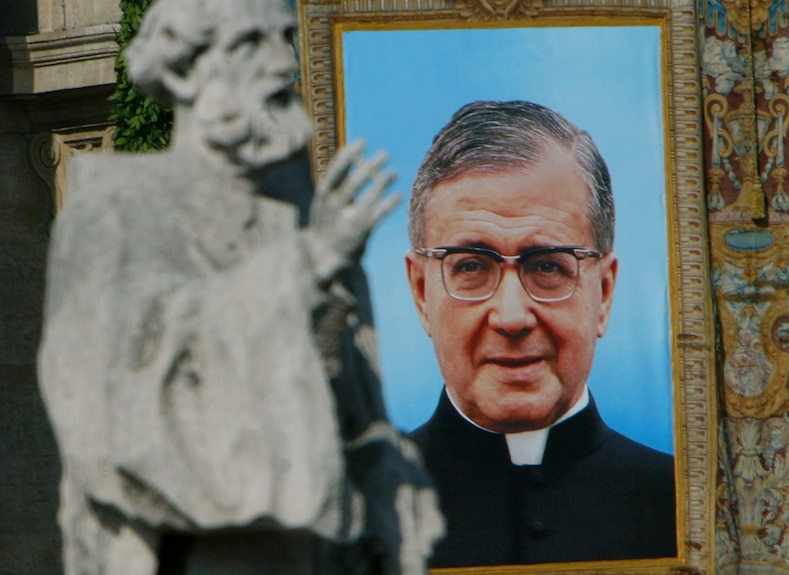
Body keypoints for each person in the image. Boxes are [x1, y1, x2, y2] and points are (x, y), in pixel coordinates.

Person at [38, 0, 442, 573]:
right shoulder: (116, 207)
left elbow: (356, 406)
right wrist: (304, 269)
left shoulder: (304, 213)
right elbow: (104, 400)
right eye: (252, 42)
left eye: (285, 38)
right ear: (183, 69)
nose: (284, 63)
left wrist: (388, 481)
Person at [404, 100, 677, 567]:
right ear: (422, 292)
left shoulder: (686, 505)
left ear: (605, 293)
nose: (511, 317)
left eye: (548, 266)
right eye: (470, 266)